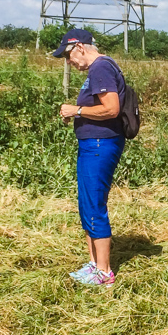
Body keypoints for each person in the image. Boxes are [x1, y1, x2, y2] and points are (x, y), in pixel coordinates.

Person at [55, 28, 126, 286]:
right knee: (87, 202)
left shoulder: (101, 68)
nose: (68, 62)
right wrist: (78, 114)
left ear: (80, 48)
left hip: (100, 144)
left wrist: (77, 110)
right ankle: (94, 264)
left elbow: (111, 108)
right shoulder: (96, 70)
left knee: (94, 203)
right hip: (92, 144)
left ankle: (104, 272)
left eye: (68, 56)